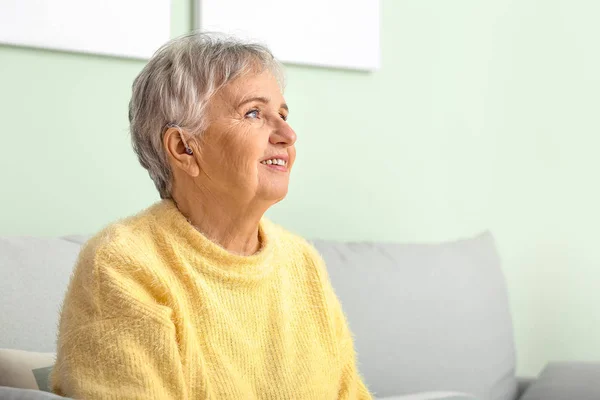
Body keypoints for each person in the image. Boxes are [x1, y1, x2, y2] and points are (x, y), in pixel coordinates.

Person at [51, 32, 372, 400]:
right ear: (184, 148)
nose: (288, 133)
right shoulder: (123, 264)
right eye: (254, 113)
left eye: (282, 114)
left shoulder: (302, 263)